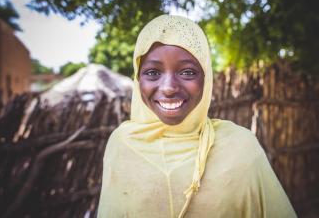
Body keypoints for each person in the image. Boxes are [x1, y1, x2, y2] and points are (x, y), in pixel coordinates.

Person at [97, 15, 296, 218]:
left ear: (206, 78)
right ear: (138, 78)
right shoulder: (122, 145)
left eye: (187, 72)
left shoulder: (240, 147)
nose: (168, 88)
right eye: (152, 72)